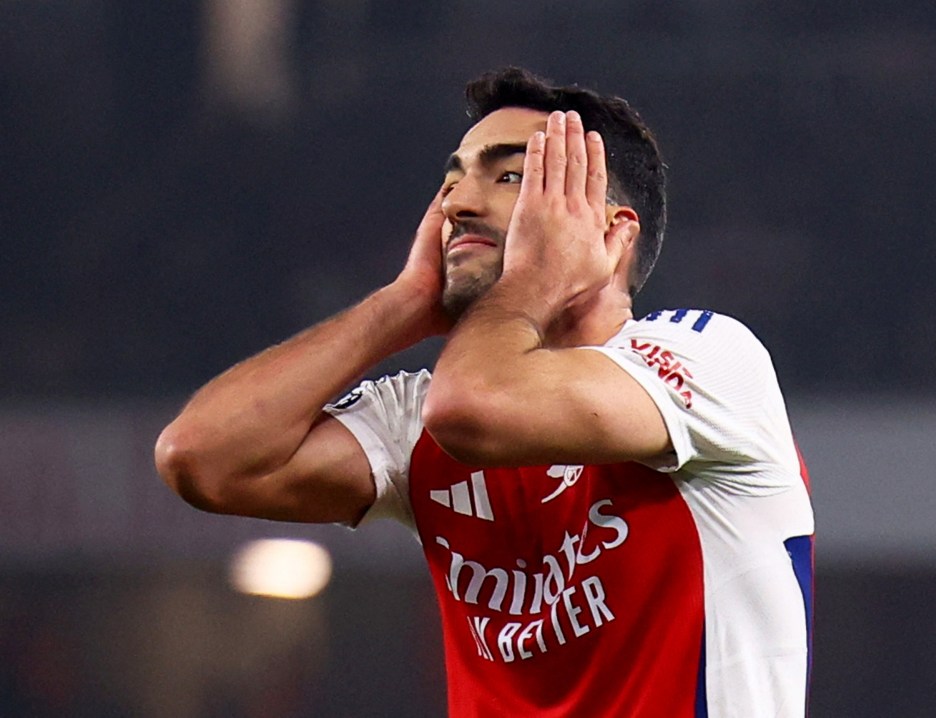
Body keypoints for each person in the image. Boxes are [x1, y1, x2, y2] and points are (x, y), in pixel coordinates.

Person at [155, 67, 814, 717]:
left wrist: (531, 278)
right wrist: (401, 302)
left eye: (509, 177)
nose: (457, 204)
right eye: (450, 183)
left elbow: (474, 408)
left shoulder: (709, 359)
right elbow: (200, 457)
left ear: (610, 235)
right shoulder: (422, 417)